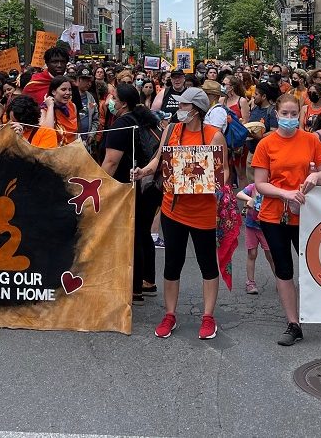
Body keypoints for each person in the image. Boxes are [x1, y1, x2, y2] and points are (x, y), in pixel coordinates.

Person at [250, 94, 321, 351]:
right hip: (275, 215)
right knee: (284, 270)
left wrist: (315, 179)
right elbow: (260, 182)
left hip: (308, 214)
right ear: (276, 114)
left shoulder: (310, 140)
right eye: (284, 114)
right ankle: (293, 323)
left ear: (300, 114)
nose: (289, 118)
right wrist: (284, 192)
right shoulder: (266, 144)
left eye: (293, 114)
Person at [130, 87, 226, 340]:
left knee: (207, 264)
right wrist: (143, 172)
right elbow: (158, 160)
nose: (178, 110)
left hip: (203, 210)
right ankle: (170, 314)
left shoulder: (214, 136)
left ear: (195, 109)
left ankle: (208, 317)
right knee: (173, 263)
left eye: (183, 106)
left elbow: (223, 172)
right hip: (173, 208)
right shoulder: (171, 130)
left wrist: (207, 179)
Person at [100, 83, 162, 302]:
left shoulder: (122, 124)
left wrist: (99, 186)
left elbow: (110, 162)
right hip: (151, 185)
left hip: (132, 185)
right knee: (143, 231)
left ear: (123, 103)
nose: (110, 101)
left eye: (114, 98)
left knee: (132, 233)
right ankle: (147, 280)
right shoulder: (145, 118)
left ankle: (134, 287)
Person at [235, 182, 274, 295]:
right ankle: (250, 282)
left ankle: (281, 280)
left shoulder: (271, 187)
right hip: (251, 226)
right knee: (252, 253)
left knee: (271, 254)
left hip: (266, 226)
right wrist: (249, 199)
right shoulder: (252, 187)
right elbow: (239, 194)